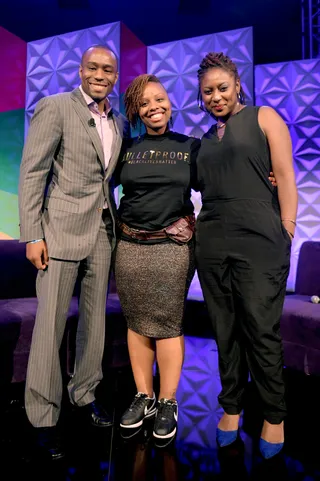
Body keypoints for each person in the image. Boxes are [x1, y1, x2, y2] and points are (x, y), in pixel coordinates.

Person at [18, 44, 129, 459]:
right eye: (93, 67)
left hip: (102, 232)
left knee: (94, 323)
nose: (101, 74)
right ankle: (42, 416)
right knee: (50, 327)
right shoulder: (56, 107)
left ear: (115, 77)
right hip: (60, 232)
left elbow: (116, 173)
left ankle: (83, 394)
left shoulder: (117, 121)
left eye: (109, 70)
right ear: (81, 70)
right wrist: (33, 235)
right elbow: (33, 172)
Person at [195, 52, 298, 459]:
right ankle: (232, 407)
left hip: (259, 237)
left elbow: (285, 174)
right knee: (225, 328)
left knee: (260, 327)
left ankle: (274, 414)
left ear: (237, 86)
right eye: (208, 91)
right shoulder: (203, 140)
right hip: (213, 239)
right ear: (201, 97)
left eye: (223, 88)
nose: (216, 96)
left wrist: (287, 227)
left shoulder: (263, 117)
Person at [113, 74, 199, 447]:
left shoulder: (190, 147)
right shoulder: (126, 149)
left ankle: (168, 401)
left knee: (166, 321)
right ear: (136, 111)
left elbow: (220, 182)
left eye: (159, 99)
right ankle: (143, 395)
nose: (154, 107)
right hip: (130, 245)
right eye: (145, 103)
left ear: (169, 102)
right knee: (136, 320)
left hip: (171, 247)